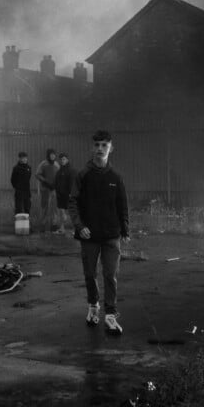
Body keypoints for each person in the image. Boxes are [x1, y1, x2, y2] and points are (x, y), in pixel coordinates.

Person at [68, 130, 129, 335]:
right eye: (97, 145)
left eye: (104, 145)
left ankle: (110, 316)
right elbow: (73, 202)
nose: (100, 149)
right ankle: (93, 307)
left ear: (111, 148)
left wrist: (125, 229)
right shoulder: (83, 175)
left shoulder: (116, 177)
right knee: (89, 274)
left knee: (110, 275)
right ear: (91, 147)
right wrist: (80, 226)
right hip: (89, 236)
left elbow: (122, 205)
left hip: (112, 236)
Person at [36, 148, 60, 232]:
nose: (53, 156)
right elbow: (37, 174)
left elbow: (59, 176)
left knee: (54, 207)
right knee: (44, 207)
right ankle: (42, 225)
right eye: (51, 154)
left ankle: (54, 224)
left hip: (54, 189)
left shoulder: (57, 164)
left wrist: (56, 184)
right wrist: (45, 181)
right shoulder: (43, 164)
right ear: (48, 155)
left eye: (54, 154)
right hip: (45, 189)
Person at [54, 153, 75, 234]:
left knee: (71, 213)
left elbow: (72, 183)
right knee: (61, 213)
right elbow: (56, 183)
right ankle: (62, 229)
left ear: (67, 160)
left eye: (64, 159)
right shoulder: (59, 171)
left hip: (68, 195)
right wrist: (57, 192)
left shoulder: (71, 170)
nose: (62, 161)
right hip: (60, 195)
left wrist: (71, 193)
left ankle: (75, 230)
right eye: (61, 159)